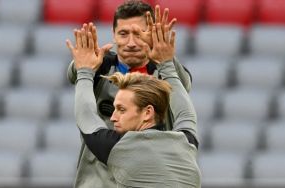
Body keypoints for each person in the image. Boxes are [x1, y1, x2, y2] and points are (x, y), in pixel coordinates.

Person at [66, 0, 198, 187]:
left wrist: (165, 58)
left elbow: (182, 85)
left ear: (151, 33)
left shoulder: (166, 72)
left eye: (138, 34)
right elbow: (74, 72)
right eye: (123, 34)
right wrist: (85, 64)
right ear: (113, 35)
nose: (131, 43)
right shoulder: (100, 66)